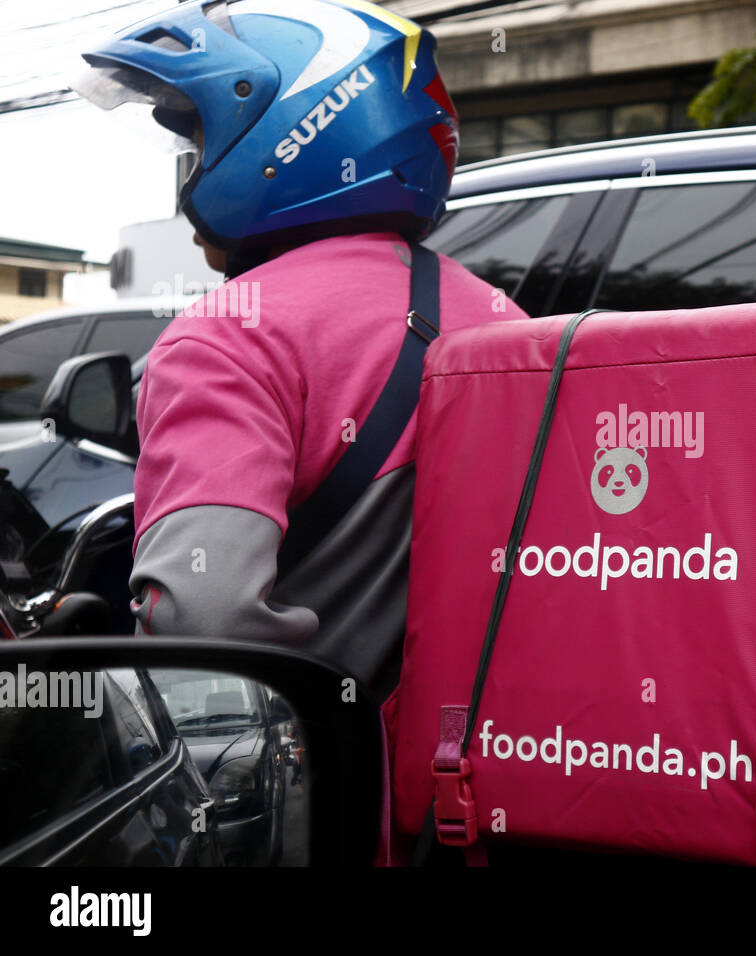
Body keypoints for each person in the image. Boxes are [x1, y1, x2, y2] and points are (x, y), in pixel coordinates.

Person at [73, 0, 526, 698]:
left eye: (198, 146)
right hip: (490, 780)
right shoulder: (506, 319)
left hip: (335, 794)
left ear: (285, 135)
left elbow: (204, 629)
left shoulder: (228, 336)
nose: (190, 179)